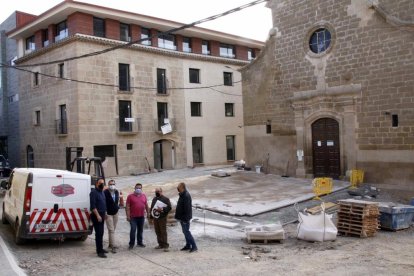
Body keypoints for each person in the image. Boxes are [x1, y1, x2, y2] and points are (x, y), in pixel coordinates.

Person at [175, 182, 198, 253]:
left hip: (185, 218)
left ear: (182, 188)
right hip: (182, 217)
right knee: (185, 232)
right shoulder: (182, 195)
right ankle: (188, 245)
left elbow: (187, 209)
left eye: (178, 187)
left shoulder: (186, 196)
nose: (177, 188)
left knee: (187, 232)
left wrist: (185, 219)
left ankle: (194, 246)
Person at [126, 183, 149, 249]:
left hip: (141, 216)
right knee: (133, 230)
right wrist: (128, 216)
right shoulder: (130, 196)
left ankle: (139, 242)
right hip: (133, 217)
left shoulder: (144, 196)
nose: (138, 189)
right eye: (137, 188)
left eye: (139, 188)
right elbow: (127, 207)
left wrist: (148, 213)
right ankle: (131, 244)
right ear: (135, 188)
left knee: (140, 230)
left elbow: (146, 205)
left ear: (141, 189)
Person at [90, 178, 108, 258]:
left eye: (103, 183)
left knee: (101, 233)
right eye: (100, 183)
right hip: (97, 215)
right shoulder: (93, 193)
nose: (102, 184)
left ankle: (101, 248)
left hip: (102, 214)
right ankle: (99, 251)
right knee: (99, 233)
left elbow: (104, 203)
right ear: (96, 184)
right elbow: (93, 206)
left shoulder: (102, 192)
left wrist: (105, 213)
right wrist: (98, 216)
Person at [150, 187, 172, 252]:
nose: (157, 192)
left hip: (162, 218)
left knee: (163, 232)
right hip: (155, 218)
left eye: (158, 191)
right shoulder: (154, 199)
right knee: (157, 231)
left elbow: (169, 208)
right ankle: (160, 244)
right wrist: (151, 217)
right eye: (156, 191)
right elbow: (152, 208)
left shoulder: (166, 199)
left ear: (161, 191)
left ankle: (166, 246)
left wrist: (162, 209)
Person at [104, 179, 119, 253]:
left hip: (115, 213)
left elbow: (117, 201)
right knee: (111, 230)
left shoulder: (116, 192)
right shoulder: (105, 192)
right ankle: (113, 246)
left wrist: (117, 208)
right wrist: (105, 212)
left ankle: (110, 244)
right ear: (108, 185)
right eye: (110, 184)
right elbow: (103, 203)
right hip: (108, 213)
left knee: (113, 229)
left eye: (113, 184)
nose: (112, 185)